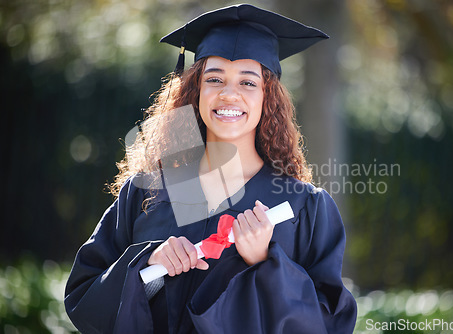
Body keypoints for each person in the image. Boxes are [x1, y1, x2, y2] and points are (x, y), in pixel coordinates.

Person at [65, 4, 357, 334]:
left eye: (248, 83)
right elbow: (84, 298)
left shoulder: (302, 208)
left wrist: (266, 263)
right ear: (196, 91)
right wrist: (146, 265)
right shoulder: (146, 193)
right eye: (214, 79)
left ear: (267, 97)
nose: (228, 94)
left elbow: (331, 324)